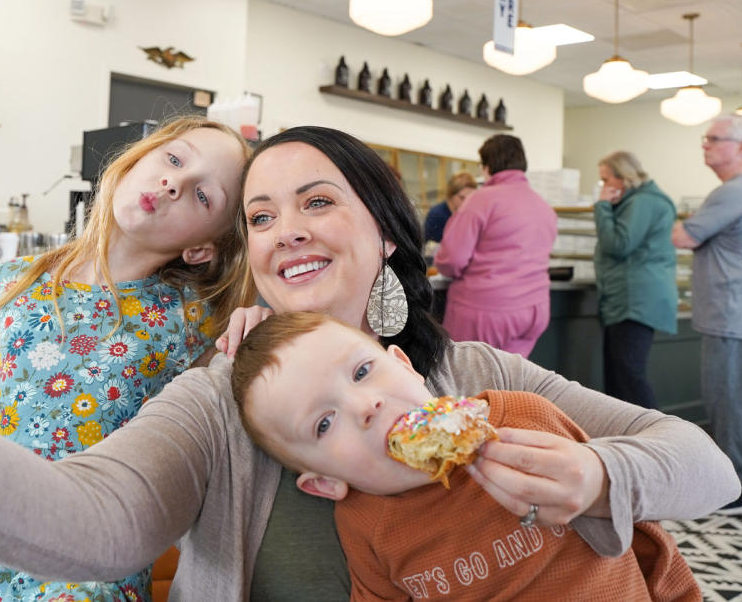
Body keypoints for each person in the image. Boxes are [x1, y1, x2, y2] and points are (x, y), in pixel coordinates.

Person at [0, 126, 739, 601]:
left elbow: (706, 462)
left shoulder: (477, 378)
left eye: (317, 201)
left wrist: (603, 471)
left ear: (387, 233)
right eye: (261, 217)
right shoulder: (215, 401)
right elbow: (94, 518)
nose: (287, 232)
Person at [0, 116, 251, 601]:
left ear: (202, 248)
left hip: (91, 565)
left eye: (204, 196)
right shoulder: (15, 280)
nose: (173, 183)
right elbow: (3, 416)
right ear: (139, 158)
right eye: (175, 158)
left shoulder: (195, 320)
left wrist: (257, 322)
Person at [231, 311, 701, 601]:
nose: (365, 406)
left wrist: (601, 481)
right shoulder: (365, 526)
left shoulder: (523, 416)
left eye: (361, 371)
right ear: (324, 483)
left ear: (407, 367)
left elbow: (641, 532)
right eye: (324, 423)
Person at [672, 114, 742, 516]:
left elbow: (681, 237)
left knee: (734, 403)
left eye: (714, 139)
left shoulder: (737, 190)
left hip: (737, 316)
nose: (705, 145)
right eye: (705, 138)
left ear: (740, 148)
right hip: (740, 315)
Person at [434, 134, 557, 355]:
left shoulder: (482, 200)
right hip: (534, 309)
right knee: (510, 381)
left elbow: (452, 259)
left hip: (488, 309)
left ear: (486, 167)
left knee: (468, 381)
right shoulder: (543, 206)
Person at [593, 151, 678, 409]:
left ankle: (656, 440)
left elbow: (619, 244)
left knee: (628, 377)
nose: (604, 187)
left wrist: (603, 207)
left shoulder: (642, 202)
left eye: (606, 180)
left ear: (624, 178)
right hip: (631, 298)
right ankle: (628, 441)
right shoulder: (647, 200)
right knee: (622, 375)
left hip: (634, 299)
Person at [423, 172, 477, 244]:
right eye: (462, 198)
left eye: (470, 199)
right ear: (451, 195)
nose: (466, 202)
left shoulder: (468, 213)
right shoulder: (436, 215)